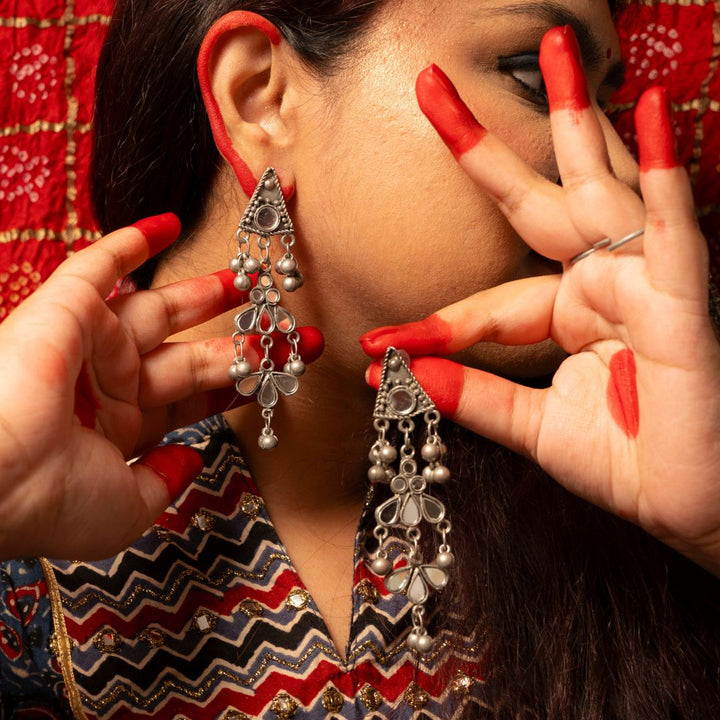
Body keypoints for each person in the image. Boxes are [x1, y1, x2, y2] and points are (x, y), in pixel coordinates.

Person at [1, 0, 720, 717]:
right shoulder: (26, 508)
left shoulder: (625, 488)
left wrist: (709, 525)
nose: (617, 173)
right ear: (260, 98)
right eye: (534, 74)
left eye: (606, 108)